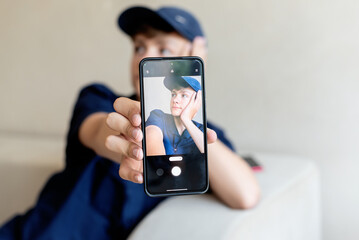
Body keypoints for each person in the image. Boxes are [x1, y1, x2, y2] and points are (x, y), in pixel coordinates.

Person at [0, 6, 260, 240]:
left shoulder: (204, 136)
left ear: (192, 58)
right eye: (139, 47)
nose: (143, 57)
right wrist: (127, 134)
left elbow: (245, 194)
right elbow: (99, 131)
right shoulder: (100, 99)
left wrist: (189, 104)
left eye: (164, 49)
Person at [146, 75, 204, 156]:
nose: (175, 100)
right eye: (173, 94)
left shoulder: (201, 130)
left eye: (184, 95)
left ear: (196, 101)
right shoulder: (158, 117)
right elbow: (155, 158)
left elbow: (210, 159)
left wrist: (186, 120)